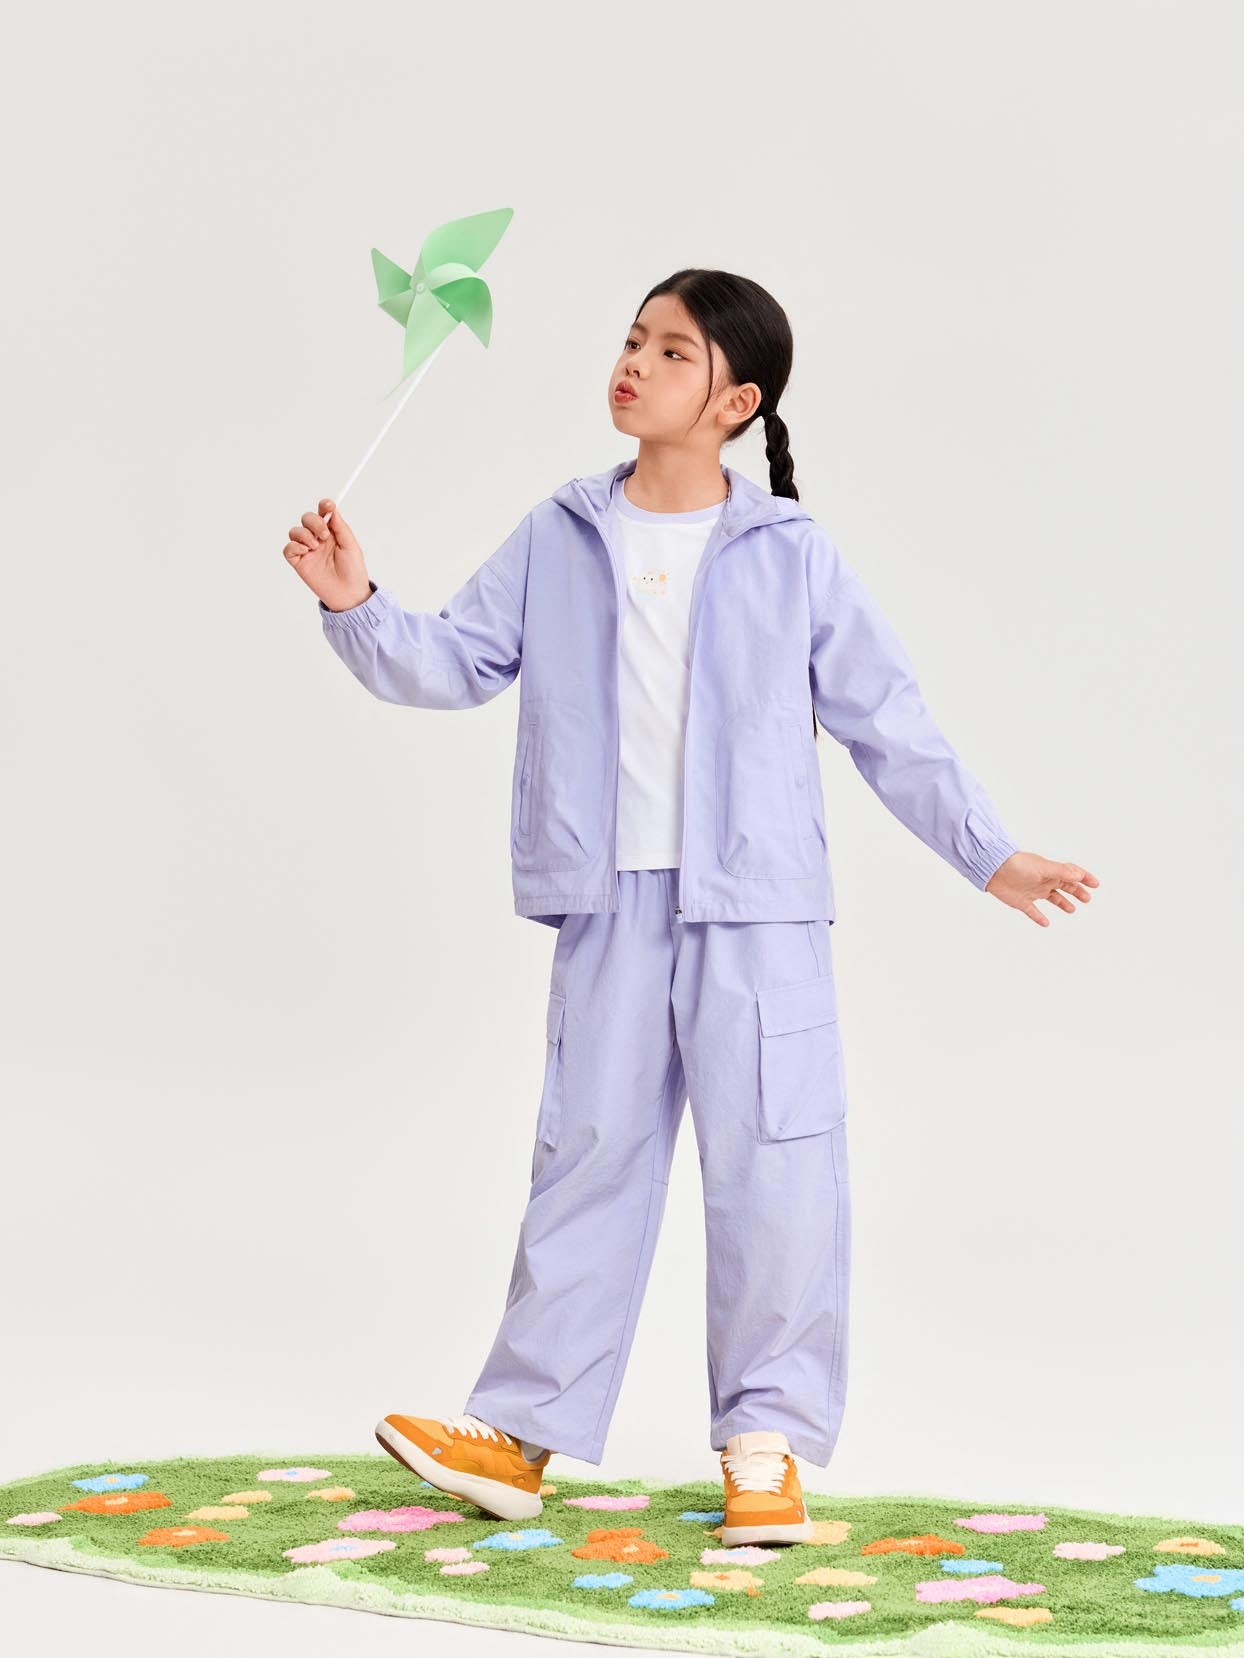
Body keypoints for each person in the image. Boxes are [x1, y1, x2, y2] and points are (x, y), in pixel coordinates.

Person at [283, 269, 1098, 1547]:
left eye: (672, 351)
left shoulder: (789, 552)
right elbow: (455, 661)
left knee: (775, 1167)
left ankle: (763, 1445)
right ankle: (518, 1437)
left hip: (757, 912)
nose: (634, 362)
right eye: (632, 339)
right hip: (605, 901)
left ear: (736, 400)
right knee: (585, 1156)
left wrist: (990, 854)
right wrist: (354, 600)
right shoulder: (560, 530)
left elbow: (888, 722)